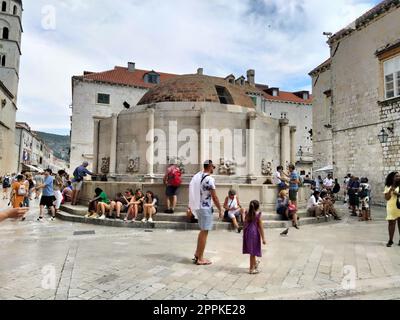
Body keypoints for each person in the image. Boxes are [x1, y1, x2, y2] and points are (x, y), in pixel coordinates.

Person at [189, 160, 223, 266]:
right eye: (213, 167)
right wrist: (220, 209)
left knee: (202, 231)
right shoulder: (209, 179)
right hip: (205, 208)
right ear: (209, 166)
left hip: (199, 206)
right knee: (204, 232)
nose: (213, 169)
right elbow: (215, 196)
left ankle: (197, 254)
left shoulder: (198, 176)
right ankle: (200, 258)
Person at [243, 200, 266, 275]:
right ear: (258, 207)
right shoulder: (257, 215)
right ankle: (251, 269)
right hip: (254, 234)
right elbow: (261, 227)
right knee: (253, 252)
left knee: (252, 250)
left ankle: (255, 264)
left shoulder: (247, 214)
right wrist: (263, 238)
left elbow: (245, 224)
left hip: (247, 233)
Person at [384, 172, 400, 247]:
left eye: (399, 176)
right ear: (392, 177)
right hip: (391, 206)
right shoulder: (387, 186)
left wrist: (397, 194)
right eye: (396, 176)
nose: (398, 177)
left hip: (399, 206)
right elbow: (387, 198)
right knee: (391, 223)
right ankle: (390, 240)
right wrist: (390, 190)